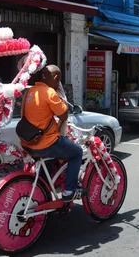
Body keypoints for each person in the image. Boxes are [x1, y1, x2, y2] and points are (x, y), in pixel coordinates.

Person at [20, 65, 84, 203]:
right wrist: (59, 93)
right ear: (55, 78)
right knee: (77, 152)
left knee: (49, 160)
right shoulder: (49, 93)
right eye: (58, 80)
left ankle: (43, 192)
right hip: (46, 143)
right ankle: (69, 192)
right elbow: (64, 115)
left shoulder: (29, 92)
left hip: (28, 142)